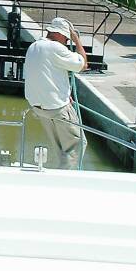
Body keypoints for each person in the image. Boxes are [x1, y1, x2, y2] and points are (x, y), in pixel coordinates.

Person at [23, 17, 88, 170]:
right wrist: (76, 39)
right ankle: (66, 181)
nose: (66, 41)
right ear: (58, 34)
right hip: (57, 108)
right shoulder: (55, 48)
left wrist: (65, 92)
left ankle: (60, 173)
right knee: (76, 145)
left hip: (39, 107)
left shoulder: (34, 46)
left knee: (61, 148)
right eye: (66, 38)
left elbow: (45, 74)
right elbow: (83, 64)